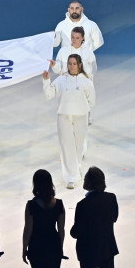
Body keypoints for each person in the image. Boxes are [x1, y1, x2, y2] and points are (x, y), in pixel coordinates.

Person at [70, 166, 119, 268]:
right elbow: (114, 217)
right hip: (106, 247)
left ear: (90, 183)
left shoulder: (83, 205)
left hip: (88, 251)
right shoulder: (111, 198)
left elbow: (76, 232)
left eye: (85, 179)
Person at [42, 54, 96, 189]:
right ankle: (71, 177)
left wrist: (83, 109)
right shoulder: (61, 80)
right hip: (64, 116)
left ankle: (76, 169)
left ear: (79, 65)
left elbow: (92, 100)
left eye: (74, 63)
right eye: (69, 63)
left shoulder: (85, 82)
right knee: (66, 147)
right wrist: (46, 81)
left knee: (78, 146)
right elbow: (48, 94)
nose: (71, 66)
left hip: (80, 117)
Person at [22, 169, 65, 268]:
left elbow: (28, 229)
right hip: (53, 245)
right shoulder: (59, 204)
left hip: (36, 245)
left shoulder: (31, 205)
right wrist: (60, 248)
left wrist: (24, 248)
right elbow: (61, 229)